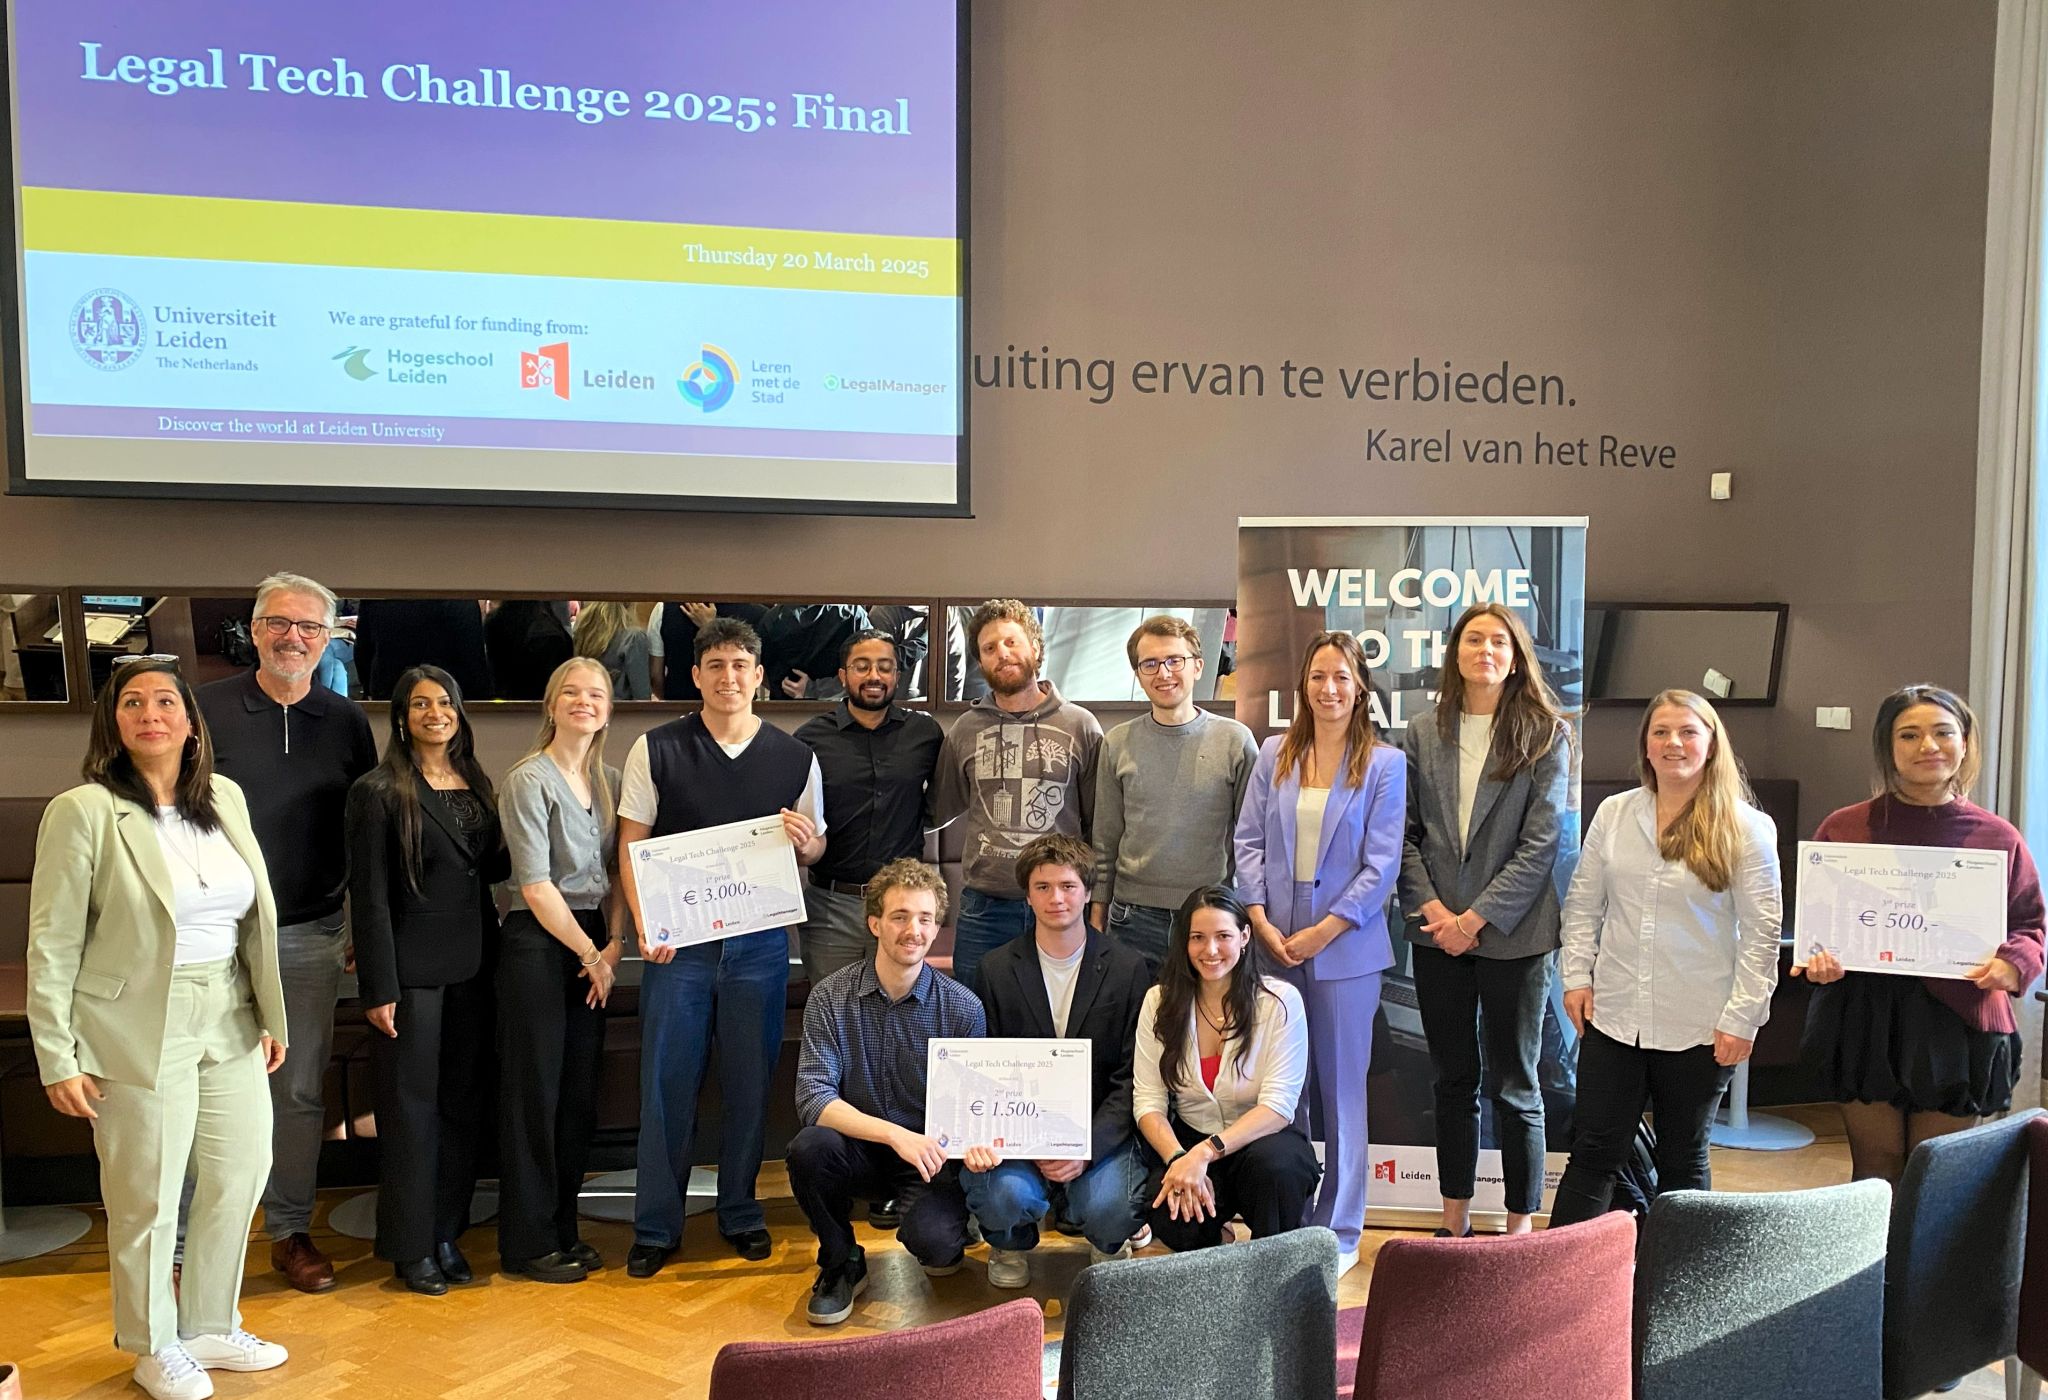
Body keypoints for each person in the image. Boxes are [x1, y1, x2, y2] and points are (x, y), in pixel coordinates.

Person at [28, 660, 291, 1399]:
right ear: (112, 723)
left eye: (166, 701)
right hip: (136, 1020)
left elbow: (251, 920)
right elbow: (52, 942)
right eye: (133, 702)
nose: (151, 713)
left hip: (229, 1010)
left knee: (239, 1173)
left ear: (190, 722)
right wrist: (57, 1055)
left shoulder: (225, 798)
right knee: (146, 1193)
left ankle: (209, 1324)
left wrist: (268, 1013)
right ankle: (152, 1343)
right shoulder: (83, 811)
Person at [617, 617, 827, 1277]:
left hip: (759, 945)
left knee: (748, 1082)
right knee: (666, 1085)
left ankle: (740, 1211)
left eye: (740, 665)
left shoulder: (794, 757)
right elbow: (631, 842)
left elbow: (816, 844)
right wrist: (645, 924)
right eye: (715, 665)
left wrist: (808, 843)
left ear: (758, 676)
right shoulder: (656, 748)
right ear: (696, 675)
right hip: (679, 948)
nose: (728, 677)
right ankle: (657, 1226)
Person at [195, 572, 377, 1294]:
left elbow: (364, 830)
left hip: (309, 933)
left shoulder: (347, 721)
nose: (292, 637)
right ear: (254, 629)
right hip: (212, 937)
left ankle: (289, 1230)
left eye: (309, 627)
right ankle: (188, 1244)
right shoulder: (205, 710)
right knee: (200, 1086)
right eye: (279, 622)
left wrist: (361, 922)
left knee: (297, 1093)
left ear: (328, 639)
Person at [1792, 685, 2044, 1182]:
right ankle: (1876, 1241)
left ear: (1965, 743)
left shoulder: (1998, 836)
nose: (1928, 746)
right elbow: (1818, 923)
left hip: (1958, 1017)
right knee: (1876, 1169)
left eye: (1942, 733)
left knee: (1937, 1174)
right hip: (1863, 1013)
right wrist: (1818, 958)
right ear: (1888, 747)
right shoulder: (1844, 829)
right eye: (1909, 735)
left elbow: (2030, 924)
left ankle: (1929, 1242)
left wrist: (2012, 964)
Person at [1549, 689, 1782, 1226]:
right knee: (1593, 1153)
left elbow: (1762, 934)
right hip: (1614, 1016)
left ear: (1711, 744)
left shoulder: (1747, 828)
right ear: (1646, 746)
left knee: (1684, 1158)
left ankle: (1681, 1276)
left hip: (1701, 1025)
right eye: (1661, 732)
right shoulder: (1615, 813)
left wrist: (1743, 1018)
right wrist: (1576, 977)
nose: (1673, 742)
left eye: (1688, 732)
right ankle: (1560, 1273)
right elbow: (1583, 904)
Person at [1398, 603, 1576, 1238]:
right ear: (1456, 653)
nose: (1486, 651)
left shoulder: (1546, 733)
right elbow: (1404, 835)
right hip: (1436, 933)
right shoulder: (1423, 731)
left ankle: (1521, 1227)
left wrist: (1473, 919)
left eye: (1499, 641)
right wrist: (1436, 912)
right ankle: (1455, 1221)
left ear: (1516, 657)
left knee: (1517, 1085)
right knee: (1452, 1081)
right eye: (1474, 639)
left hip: (1514, 936)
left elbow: (1541, 844)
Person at [1233, 630, 1404, 1275]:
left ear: (1360, 688)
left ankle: (1340, 1227)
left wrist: (1323, 931)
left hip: (1345, 947)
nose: (1328, 689)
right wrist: (1257, 920)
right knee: (1285, 1089)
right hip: (1272, 940)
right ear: (1303, 686)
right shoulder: (1274, 752)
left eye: (1341, 677)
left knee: (1342, 1093)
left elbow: (1381, 867)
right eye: (1317, 677)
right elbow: (1248, 841)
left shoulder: (1384, 764)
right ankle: (1291, 1218)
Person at [346, 665, 507, 1294]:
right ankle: (410, 1247)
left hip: (475, 964)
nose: (435, 713)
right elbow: (369, 896)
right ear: (401, 717)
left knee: (462, 1105)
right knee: (410, 1110)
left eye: (445, 702)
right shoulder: (378, 790)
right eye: (420, 704)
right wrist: (378, 986)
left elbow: (491, 867)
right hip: (409, 976)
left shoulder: (476, 780)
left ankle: (445, 1231)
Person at [787, 858, 985, 1325]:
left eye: (925, 919)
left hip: (928, 1159)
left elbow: (972, 1111)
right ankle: (840, 1260)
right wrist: (895, 1135)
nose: (913, 930)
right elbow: (813, 1096)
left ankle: (952, 1226)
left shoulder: (963, 1009)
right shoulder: (829, 997)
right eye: (900, 917)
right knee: (809, 1148)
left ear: (936, 928)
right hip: (857, 1150)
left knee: (938, 1248)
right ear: (874, 923)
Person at [962, 835, 1153, 1286]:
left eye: (1068, 886)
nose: (1056, 898)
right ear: (1027, 896)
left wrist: (1085, 1149)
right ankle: (1010, 1244)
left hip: (1098, 1132)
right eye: (1043, 887)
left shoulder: (1128, 967)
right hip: (1020, 1132)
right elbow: (986, 1068)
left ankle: (1109, 1240)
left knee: (1108, 1206)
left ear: (1087, 892)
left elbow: (1131, 1077)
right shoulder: (995, 968)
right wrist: (1024, 1142)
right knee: (1004, 1197)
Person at [495, 657, 624, 1283]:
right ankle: (526, 1243)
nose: (583, 702)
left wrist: (615, 943)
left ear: (607, 709)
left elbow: (620, 871)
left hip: (593, 943)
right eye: (570, 692)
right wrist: (591, 955)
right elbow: (536, 886)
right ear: (551, 705)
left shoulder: (609, 780)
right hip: (539, 945)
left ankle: (563, 1229)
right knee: (535, 1099)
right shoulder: (528, 779)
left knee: (576, 1098)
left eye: (595, 694)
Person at [1133, 887, 1319, 1251]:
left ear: (1245, 936)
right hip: (1189, 1137)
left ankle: (1270, 1262)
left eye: (1223, 936)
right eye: (1197, 938)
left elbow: (1279, 1106)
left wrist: (1206, 1152)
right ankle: (1218, 1244)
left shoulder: (1280, 1002)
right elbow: (1148, 1101)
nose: (1211, 950)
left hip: (1261, 1140)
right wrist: (1179, 1159)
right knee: (1168, 1209)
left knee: (1278, 1169)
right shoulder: (1158, 1001)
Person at [934, 598, 1103, 992]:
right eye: (990, 648)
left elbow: (1099, 823)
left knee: (1058, 1014)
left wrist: (1097, 903)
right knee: (977, 1017)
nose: (1002, 654)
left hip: (1060, 904)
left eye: (1012, 642)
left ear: (1035, 648)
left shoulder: (1080, 725)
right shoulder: (965, 730)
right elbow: (941, 807)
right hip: (986, 908)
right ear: (980, 661)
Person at [1090, 614, 1258, 972]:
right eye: (1150, 664)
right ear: (1138, 674)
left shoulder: (1236, 741)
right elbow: (1105, 840)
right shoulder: (1117, 743)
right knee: (1137, 1010)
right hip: (1132, 919)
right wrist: (1097, 914)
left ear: (1198, 666)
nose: (1163, 673)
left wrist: (1250, 911)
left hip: (1210, 917)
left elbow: (1253, 841)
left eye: (1174, 660)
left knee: (1209, 1011)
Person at [793, 628, 945, 987]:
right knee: (832, 1008)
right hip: (832, 906)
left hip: (902, 906)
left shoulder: (925, 734)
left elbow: (939, 803)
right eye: (861, 666)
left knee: (899, 1009)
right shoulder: (810, 739)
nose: (874, 676)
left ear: (897, 675)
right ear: (843, 676)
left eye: (884, 667)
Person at [353, 597, 495, 702]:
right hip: (454, 699)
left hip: (391, 696)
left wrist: (369, 691)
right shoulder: (463, 598)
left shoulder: (378, 595)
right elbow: (474, 661)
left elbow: (363, 652)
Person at [572, 601, 653, 701]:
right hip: (621, 709)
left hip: (585, 704)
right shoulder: (634, 638)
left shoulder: (581, 630)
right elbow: (642, 696)